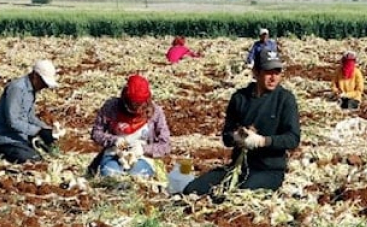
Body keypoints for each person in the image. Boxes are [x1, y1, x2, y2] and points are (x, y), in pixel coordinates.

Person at [184, 48, 300, 196]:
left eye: (277, 72)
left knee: (238, 195)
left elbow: (293, 139)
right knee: (192, 190)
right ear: (256, 72)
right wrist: (237, 137)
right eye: (268, 72)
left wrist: (262, 141)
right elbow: (227, 137)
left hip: (269, 170)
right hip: (239, 167)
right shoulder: (240, 98)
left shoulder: (285, 99)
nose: (273, 78)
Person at [88, 74, 171, 177]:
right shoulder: (111, 107)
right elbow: (96, 133)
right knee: (110, 174)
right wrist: (114, 140)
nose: (136, 110)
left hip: (142, 157)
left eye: (140, 106)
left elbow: (165, 145)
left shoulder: (156, 113)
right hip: (114, 154)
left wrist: (143, 149)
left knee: (138, 175)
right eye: (132, 106)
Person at [0, 59, 58, 164]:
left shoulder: (31, 91)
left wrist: (45, 129)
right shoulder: (17, 89)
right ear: (35, 76)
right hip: (7, 138)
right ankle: (2, 152)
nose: (45, 87)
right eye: (43, 83)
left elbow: (29, 117)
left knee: (48, 153)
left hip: (21, 137)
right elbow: (13, 121)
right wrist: (38, 131)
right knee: (34, 159)